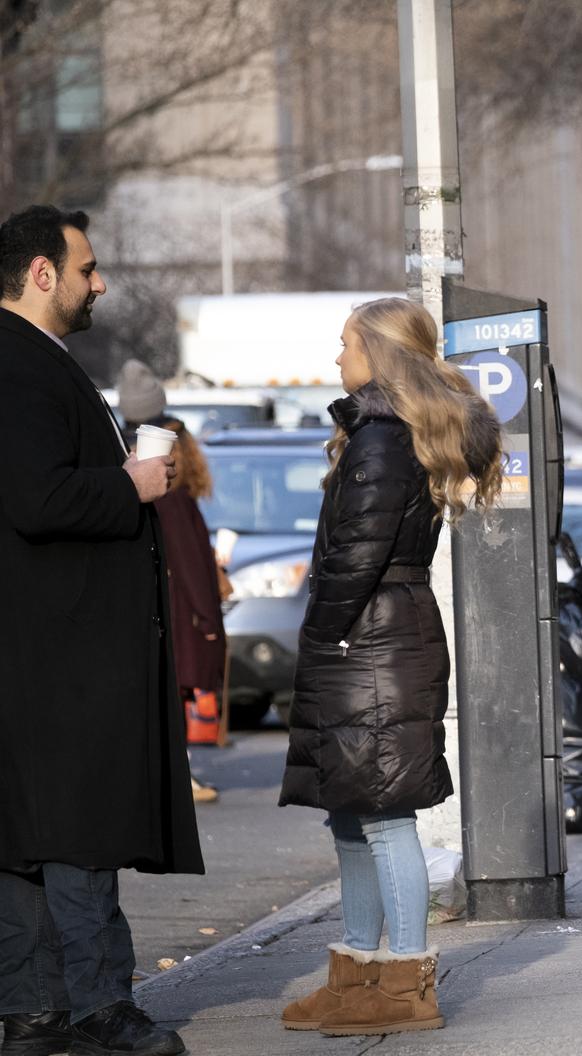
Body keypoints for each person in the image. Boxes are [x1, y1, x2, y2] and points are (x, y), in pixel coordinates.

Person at [0, 205, 200, 1056]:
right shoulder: (22, 367)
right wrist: (134, 485)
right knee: (75, 833)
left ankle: (37, 1012)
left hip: (43, 649)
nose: (100, 282)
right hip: (60, 654)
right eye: (86, 268)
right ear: (42, 274)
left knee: (29, 833)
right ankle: (95, 1009)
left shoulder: (33, 362)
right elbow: (38, 499)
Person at [277, 297, 502, 1036]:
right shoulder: (382, 431)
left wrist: (324, 634)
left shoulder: (380, 438)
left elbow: (357, 554)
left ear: (376, 350)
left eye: (345, 343)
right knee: (353, 811)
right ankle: (356, 975)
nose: (335, 356)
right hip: (375, 639)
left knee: (384, 815)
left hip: (370, 643)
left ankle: (404, 982)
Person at [117, 363, 226, 805]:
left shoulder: (128, 456)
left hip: (157, 600)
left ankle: (168, 772)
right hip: (176, 605)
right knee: (170, 691)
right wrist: (206, 614)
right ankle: (173, 774)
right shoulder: (171, 462)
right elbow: (185, 552)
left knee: (162, 692)